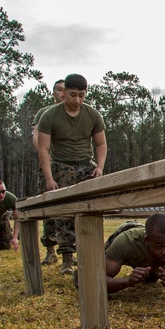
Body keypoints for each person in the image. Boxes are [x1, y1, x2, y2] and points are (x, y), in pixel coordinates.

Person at [35, 73, 108, 275]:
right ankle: (67, 259)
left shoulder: (93, 115)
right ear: (64, 92)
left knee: (92, 208)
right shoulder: (50, 115)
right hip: (61, 166)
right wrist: (49, 178)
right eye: (73, 95)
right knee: (64, 213)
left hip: (86, 165)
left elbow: (101, 143)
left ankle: (91, 254)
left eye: (82, 95)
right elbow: (43, 149)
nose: (77, 100)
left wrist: (99, 167)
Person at [104, 213, 165, 295]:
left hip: (151, 252)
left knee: (151, 279)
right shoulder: (126, 242)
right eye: (159, 246)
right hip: (126, 233)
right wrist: (126, 281)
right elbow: (99, 282)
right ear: (146, 241)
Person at [31, 79, 65, 266]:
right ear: (53, 93)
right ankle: (50, 251)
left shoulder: (76, 113)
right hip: (49, 167)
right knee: (48, 208)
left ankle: (69, 252)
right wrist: (46, 155)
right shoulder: (44, 113)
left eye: (65, 90)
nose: (62, 93)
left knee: (69, 209)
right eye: (59, 90)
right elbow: (36, 136)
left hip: (70, 166)